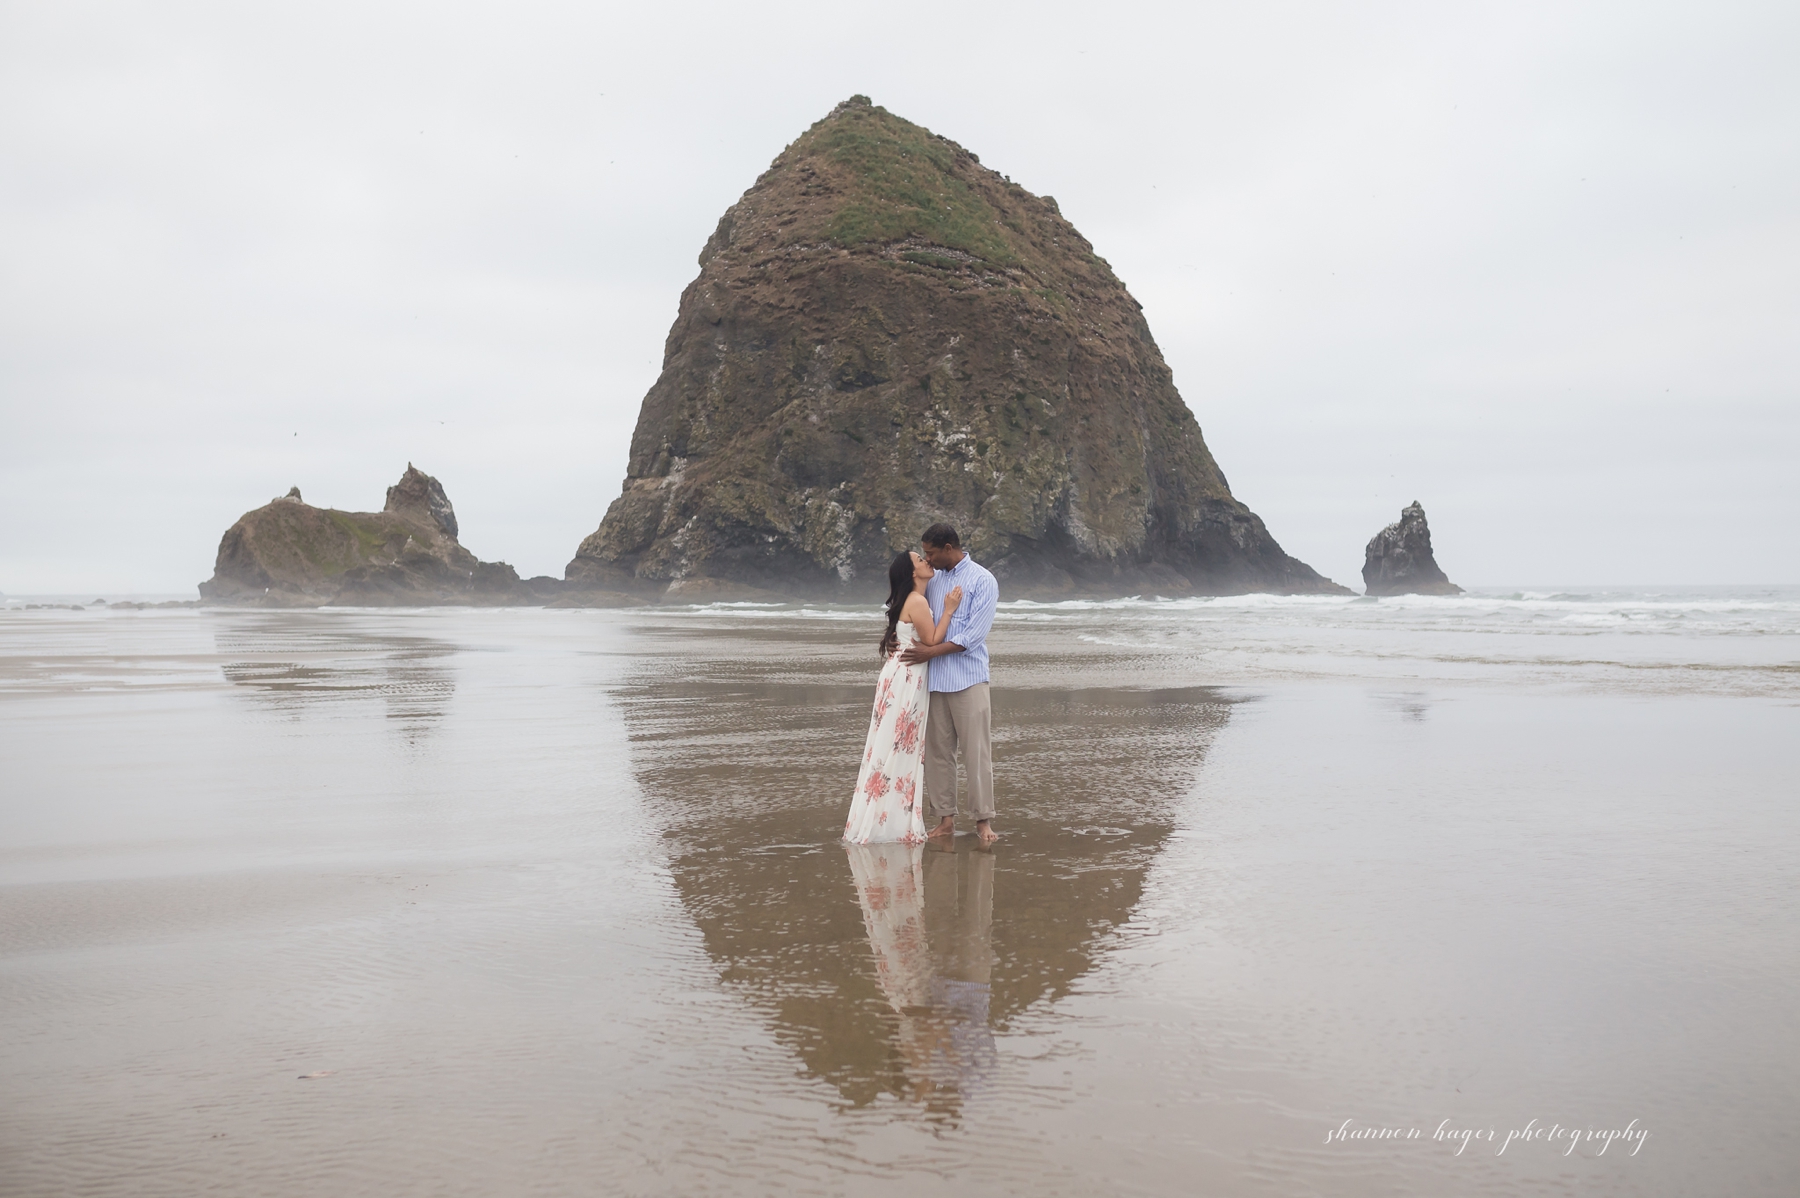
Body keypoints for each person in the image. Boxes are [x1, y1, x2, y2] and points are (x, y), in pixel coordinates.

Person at [844, 550, 962, 844]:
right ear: (912, 573)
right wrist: (949, 610)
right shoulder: (917, 601)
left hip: (900, 674)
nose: (926, 561)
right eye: (920, 560)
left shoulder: (912, 599)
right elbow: (931, 641)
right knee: (900, 746)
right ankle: (890, 823)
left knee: (890, 745)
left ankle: (884, 817)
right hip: (907, 678)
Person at [900, 523, 1000, 843]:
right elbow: (916, 616)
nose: (927, 559)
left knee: (976, 753)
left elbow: (973, 636)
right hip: (934, 681)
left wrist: (929, 652)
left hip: (969, 678)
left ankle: (983, 821)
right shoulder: (933, 580)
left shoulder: (982, 580)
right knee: (938, 755)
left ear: (948, 548)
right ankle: (945, 821)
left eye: (930, 553)